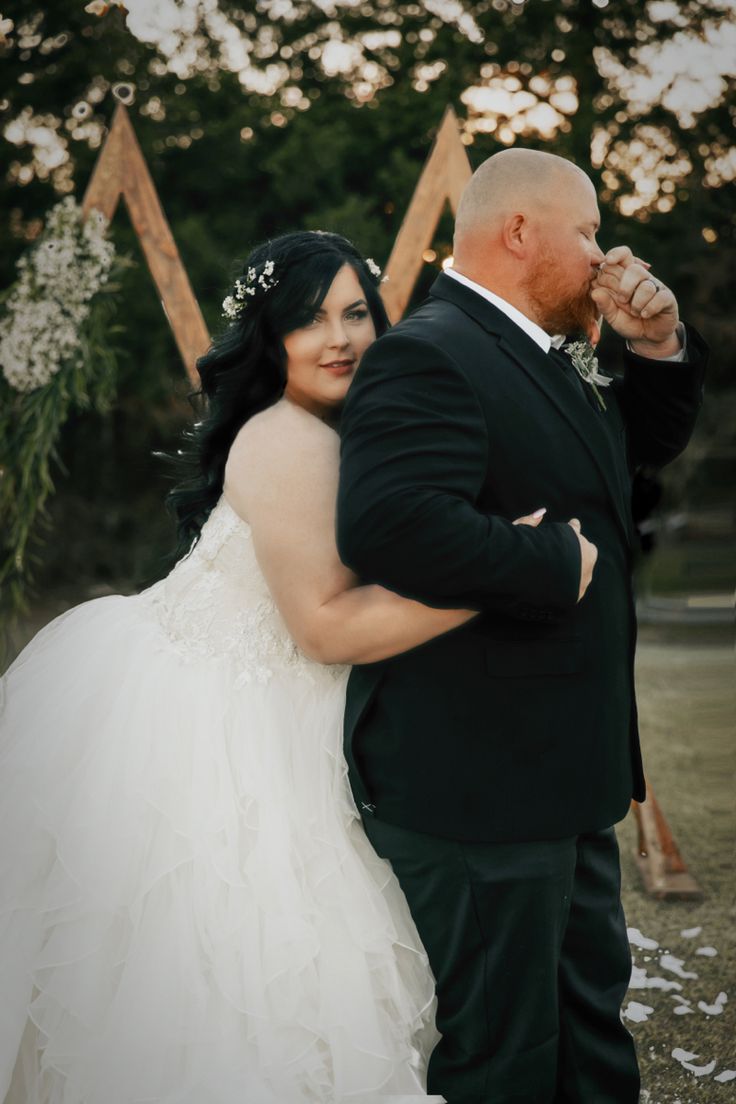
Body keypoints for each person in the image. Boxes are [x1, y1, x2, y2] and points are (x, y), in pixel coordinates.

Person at [0, 231, 478, 1104]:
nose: (338, 338)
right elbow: (324, 630)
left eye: (356, 313)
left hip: (266, 705)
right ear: (270, 337)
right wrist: (502, 580)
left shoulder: (334, 430)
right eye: (308, 319)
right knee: (232, 978)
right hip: (212, 720)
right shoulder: (293, 441)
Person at [336, 149, 707, 1104]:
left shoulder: (536, 348)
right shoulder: (431, 350)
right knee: (505, 1057)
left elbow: (623, 455)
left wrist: (656, 343)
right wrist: (556, 564)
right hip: (480, 786)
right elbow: (391, 525)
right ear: (518, 233)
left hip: (560, 775)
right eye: (587, 232)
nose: (602, 255)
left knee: (587, 1029)